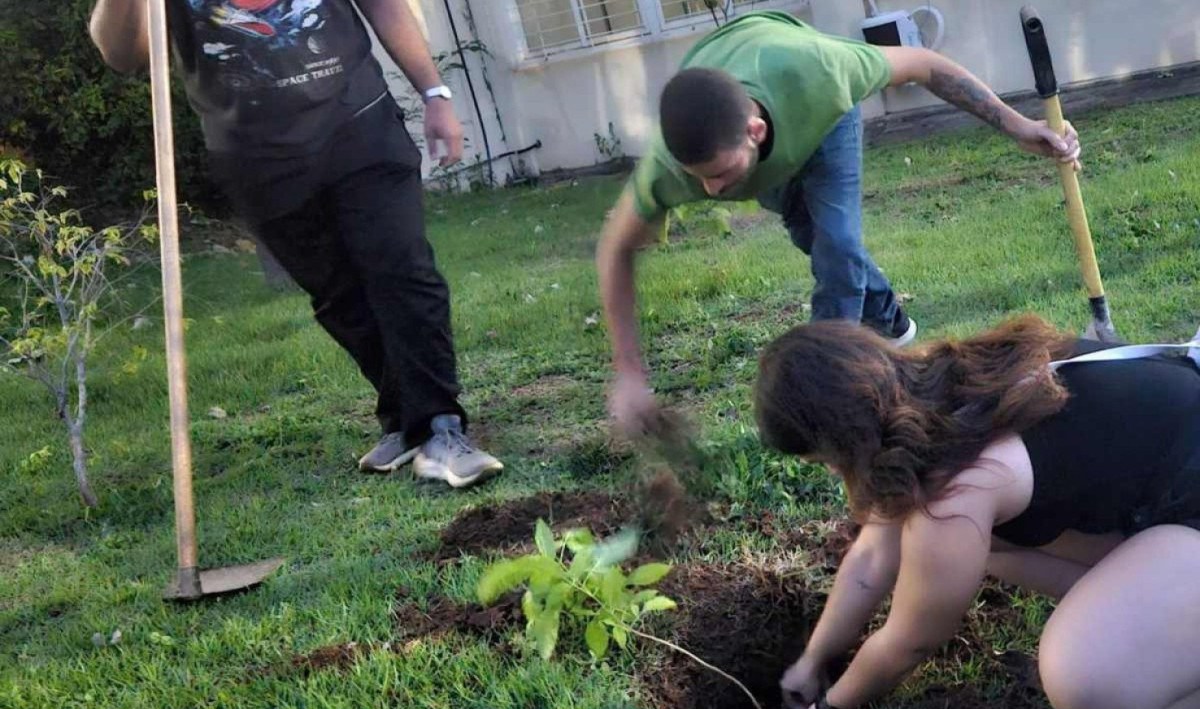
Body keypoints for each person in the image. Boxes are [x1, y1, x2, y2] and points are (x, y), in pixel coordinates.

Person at [598, 10, 1082, 438]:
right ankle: (893, 327)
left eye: (721, 174)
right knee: (814, 236)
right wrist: (629, 374)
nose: (712, 192)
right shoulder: (671, 167)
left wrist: (1020, 126)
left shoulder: (822, 71)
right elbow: (615, 250)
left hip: (817, 114)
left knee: (838, 248)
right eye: (698, 179)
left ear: (756, 131)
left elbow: (923, 63)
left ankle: (826, 402)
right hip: (757, 122)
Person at [89, 0, 502, 487]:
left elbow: (385, 6)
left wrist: (435, 93)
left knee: (403, 268)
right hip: (253, 155)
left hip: (358, 122)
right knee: (337, 295)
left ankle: (438, 426)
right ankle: (403, 416)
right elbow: (125, 54)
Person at [753, 315, 1200, 709]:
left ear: (844, 443)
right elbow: (871, 557)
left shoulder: (957, 491)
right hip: (1169, 483)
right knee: (990, 551)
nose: (833, 472)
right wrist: (813, 661)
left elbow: (911, 640)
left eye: (824, 460)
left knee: (1085, 678)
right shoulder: (933, 392)